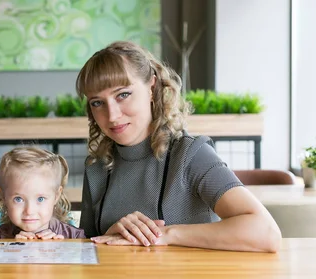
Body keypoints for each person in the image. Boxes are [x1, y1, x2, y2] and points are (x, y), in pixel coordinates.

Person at [76, 41, 281, 252]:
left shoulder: (191, 155)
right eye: (97, 103)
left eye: (123, 95)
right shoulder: (96, 168)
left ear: (151, 87)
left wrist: (166, 234)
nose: (112, 115)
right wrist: (110, 235)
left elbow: (266, 233)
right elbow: (87, 251)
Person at [0, 146, 85, 239]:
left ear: (56, 196)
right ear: (3, 196)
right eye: (18, 199)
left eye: (40, 199)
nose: (29, 211)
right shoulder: (0, 236)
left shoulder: (75, 237)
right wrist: (13, 248)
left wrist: (59, 249)